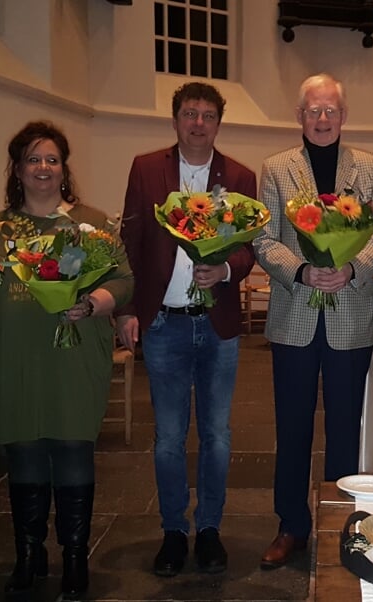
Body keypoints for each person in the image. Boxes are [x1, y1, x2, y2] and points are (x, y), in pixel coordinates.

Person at [0, 121, 133, 601]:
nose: (42, 168)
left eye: (51, 159)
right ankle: (28, 555)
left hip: (75, 348)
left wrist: (92, 303)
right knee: (23, 447)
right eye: (32, 159)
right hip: (14, 350)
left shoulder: (91, 223)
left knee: (71, 446)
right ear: (17, 169)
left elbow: (123, 280)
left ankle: (73, 556)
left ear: (64, 169)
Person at [115, 82, 256, 577]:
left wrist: (226, 270)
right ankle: (174, 530)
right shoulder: (147, 167)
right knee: (169, 437)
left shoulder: (239, 175)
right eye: (190, 114)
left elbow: (248, 246)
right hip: (164, 324)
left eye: (208, 115)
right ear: (175, 120)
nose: (198, 123)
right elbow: (129, 240)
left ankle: (211, 528)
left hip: (216, 324)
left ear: (219, 122)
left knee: (217, 434)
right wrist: (127, 309)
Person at [254, 73, 373, 569]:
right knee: (291, 428)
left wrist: (352, 268)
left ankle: (340, 523)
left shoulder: (372, 170)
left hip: (351, 316)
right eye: (314, 110)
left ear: (344, 115)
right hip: (294, 314)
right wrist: (304, 271)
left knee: (345, 428)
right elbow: (264, 239)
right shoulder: (275, 169)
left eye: (331, 109)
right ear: (300, 116)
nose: (323, 118)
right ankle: (291, 525)